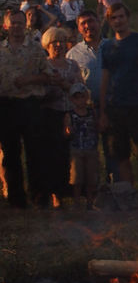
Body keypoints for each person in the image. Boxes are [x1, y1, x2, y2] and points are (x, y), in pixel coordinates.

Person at [99, 3, 138, 204]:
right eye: (114, 18)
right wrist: (102, 111)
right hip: (115, 106)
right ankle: (129, 196)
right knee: (121, 155)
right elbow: (105, 79)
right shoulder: (106, 46)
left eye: (121, 17)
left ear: (128, 17)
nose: (118, 21)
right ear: (110, 21)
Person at [0, 9, 52, 208]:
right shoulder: (0, 51)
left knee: (35, 152)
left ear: (26, 25)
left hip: (31, 104)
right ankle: (16, 199)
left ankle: (39, 195)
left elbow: (48, 76)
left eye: (20, 23)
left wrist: (30, 79)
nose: (16, 26)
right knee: (10, 153)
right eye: (12, 23)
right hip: (6, 105)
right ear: (6, 26)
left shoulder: (36, 49)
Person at [67, 10, 117, 183]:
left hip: (111, 105)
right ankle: (91, 188)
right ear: (79, 29)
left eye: (91, 21)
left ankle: (115, 184)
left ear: (99, 22)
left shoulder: (112, 46)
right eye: (83, 24)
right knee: (88, 151)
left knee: (112, 148)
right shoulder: (73, 54)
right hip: (86, 110)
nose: (88, 26)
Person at [41, 27, 81, 205]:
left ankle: (73, 190)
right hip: (51, 114)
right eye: (54, 42)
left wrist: (65, 85)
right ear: (47, 45)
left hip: (73, 113)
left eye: (62, 41)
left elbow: (80, 89)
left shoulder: (73, 65)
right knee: (53, 155)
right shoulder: (44, 66)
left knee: (71, 154)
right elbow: (39, 91)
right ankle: (55, 194)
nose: (59, 45)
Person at [65, 82, 99, 209]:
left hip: (91, 149)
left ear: (87, 97)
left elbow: (97, 126)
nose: (80, 100)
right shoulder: (70, 115)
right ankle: (77, 202)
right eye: (76, 97)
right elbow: (66, 131)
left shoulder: (92, 112)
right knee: (77, 178)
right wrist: (68, 131)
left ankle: (90, 202)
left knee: (91, 178)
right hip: (76, 150)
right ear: (72, 99)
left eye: (82, 97)